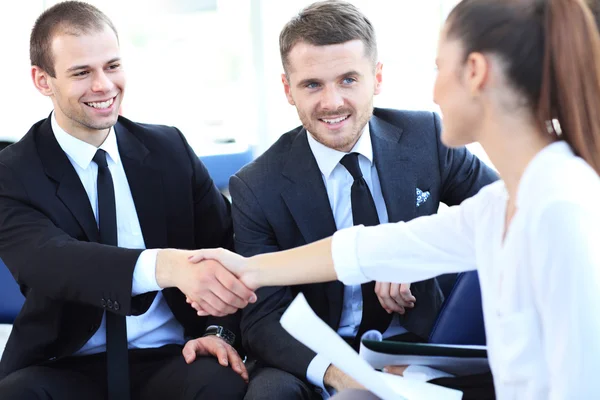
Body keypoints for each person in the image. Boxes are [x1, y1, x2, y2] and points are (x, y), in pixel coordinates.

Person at [189, 0, 600, 398]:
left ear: (474, 73)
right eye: (314, 83)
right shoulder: (499, 206)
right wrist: (248, 269)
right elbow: (367, 249)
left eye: (438, 68)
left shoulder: (560, 209)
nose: (433, 93)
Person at [219, 1, 496, 399]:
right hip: (319, 351)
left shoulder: (426, 138)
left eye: (348, 79)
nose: (332, 102)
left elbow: (506, 217)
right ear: (287, 89)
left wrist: (409, 254)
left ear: (377, 77)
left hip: (419, 341)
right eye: (312, 84)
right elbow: (262, 319)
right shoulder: (255, 184)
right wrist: (340, 375)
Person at [0, 2, 256, 399]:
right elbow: (50, 261)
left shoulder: (169, 148)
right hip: (63, 363)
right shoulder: (12, 172)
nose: (103, 85)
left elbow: (228, 248)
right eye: (81, 72)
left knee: (223, 383)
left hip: (174, 354)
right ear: (42, 80)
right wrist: (165, 266)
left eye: (112, 66)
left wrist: (216, 332)